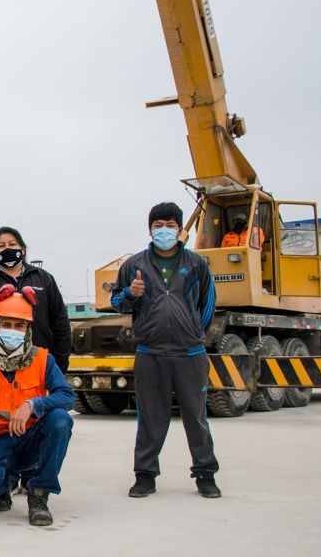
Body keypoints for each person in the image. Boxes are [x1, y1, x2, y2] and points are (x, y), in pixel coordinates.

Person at [110, 202, 220, 499]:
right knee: (150, 418)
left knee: (196, 417)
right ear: (150, 229)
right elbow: (116, 302)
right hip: (150, 353)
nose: (164, 230)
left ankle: (205, 474)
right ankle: (145, 475)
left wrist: (195, 333)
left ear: (180, 229)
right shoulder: (134, 265)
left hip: (191, 354)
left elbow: (207, 305)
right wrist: (130, 295)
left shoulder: (197, 264)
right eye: (158, 225)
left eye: (170, 225)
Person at [0, 285, 75, 526]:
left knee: (61, 419)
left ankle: (39, 495)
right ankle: (2, 486)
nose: (13, 331)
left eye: (19, 326)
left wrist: (33, 404)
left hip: (30, 437)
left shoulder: (42, 359)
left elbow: (67, 396)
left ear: (28, 329)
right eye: (7, 324)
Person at [0, 226, 72, 372]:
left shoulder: (43, 278)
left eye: (12, 244)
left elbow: (61, 323)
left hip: (39, 363)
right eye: (1, 246)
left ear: (23, 249)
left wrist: (60, 365)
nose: (7, 248)